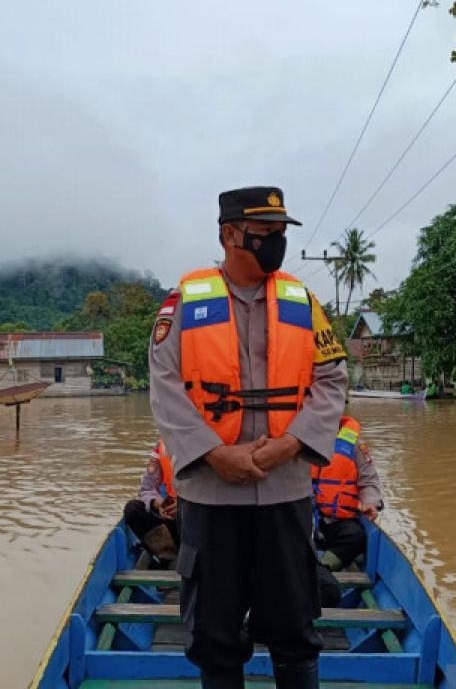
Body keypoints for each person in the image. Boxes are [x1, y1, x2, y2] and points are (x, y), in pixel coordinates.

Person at [149, 186, 347, 689]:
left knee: (295, 629)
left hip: (286, 489)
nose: (276, 242)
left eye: (281, 233)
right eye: (265, 234)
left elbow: (332, 381)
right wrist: (215, 454)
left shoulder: (303, 302)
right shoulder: (183, 303)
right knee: (215, 634)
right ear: (229, 234)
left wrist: (291, 443)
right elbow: (165, 386)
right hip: (211, 495)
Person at [311, 414, 384, 607]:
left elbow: (369, 481)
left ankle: (322, 568)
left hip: (337, 521)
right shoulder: (297, 439)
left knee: (356, 536)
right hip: (305, 517)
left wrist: (369, 503)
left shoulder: (354, 444)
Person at [122, 439, 179, 562]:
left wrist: (185, 505)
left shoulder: (204, 442)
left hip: (197, 516)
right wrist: (157, 503)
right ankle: (168, 556)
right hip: (172, 517)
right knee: (133, 509)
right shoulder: (161, 446)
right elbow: (147, 488)